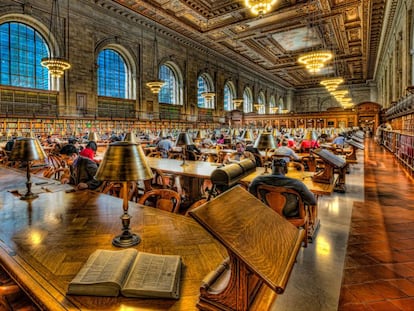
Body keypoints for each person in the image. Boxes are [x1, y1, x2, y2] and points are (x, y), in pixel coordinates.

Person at [248, 159, 316, 218]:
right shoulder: (296, 183)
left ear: (271, 168)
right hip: (290, 214)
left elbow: (251, 196)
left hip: (268, 210)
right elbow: (312, 201)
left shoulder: (257, 180)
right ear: (286, 170)